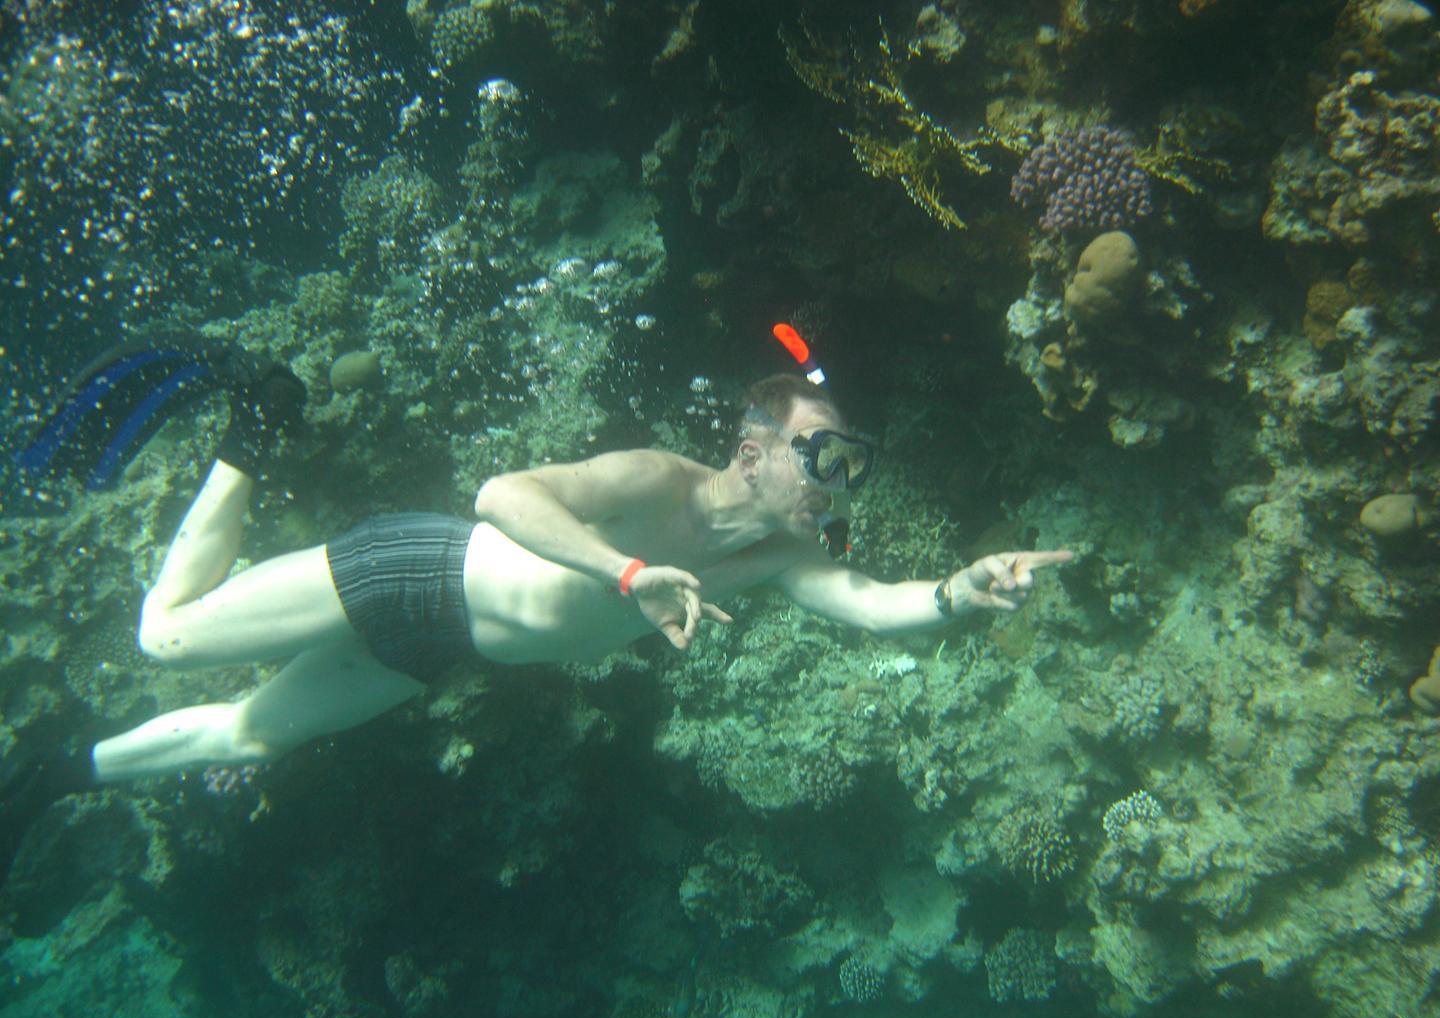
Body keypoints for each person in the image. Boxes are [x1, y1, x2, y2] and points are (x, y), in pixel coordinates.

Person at [6, 367, 1072, 820]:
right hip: (414, 569)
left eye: (853, 465)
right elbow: (500, 495)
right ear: (753, 452)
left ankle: (52, 774)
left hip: (440, 649)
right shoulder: (657, 479)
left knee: (248, 738)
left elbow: (877, 605)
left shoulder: (780, 560)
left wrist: (962, 589)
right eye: (822, 454)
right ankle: (254, 429)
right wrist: (626, 573)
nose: (838, 481)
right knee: (163, 640)